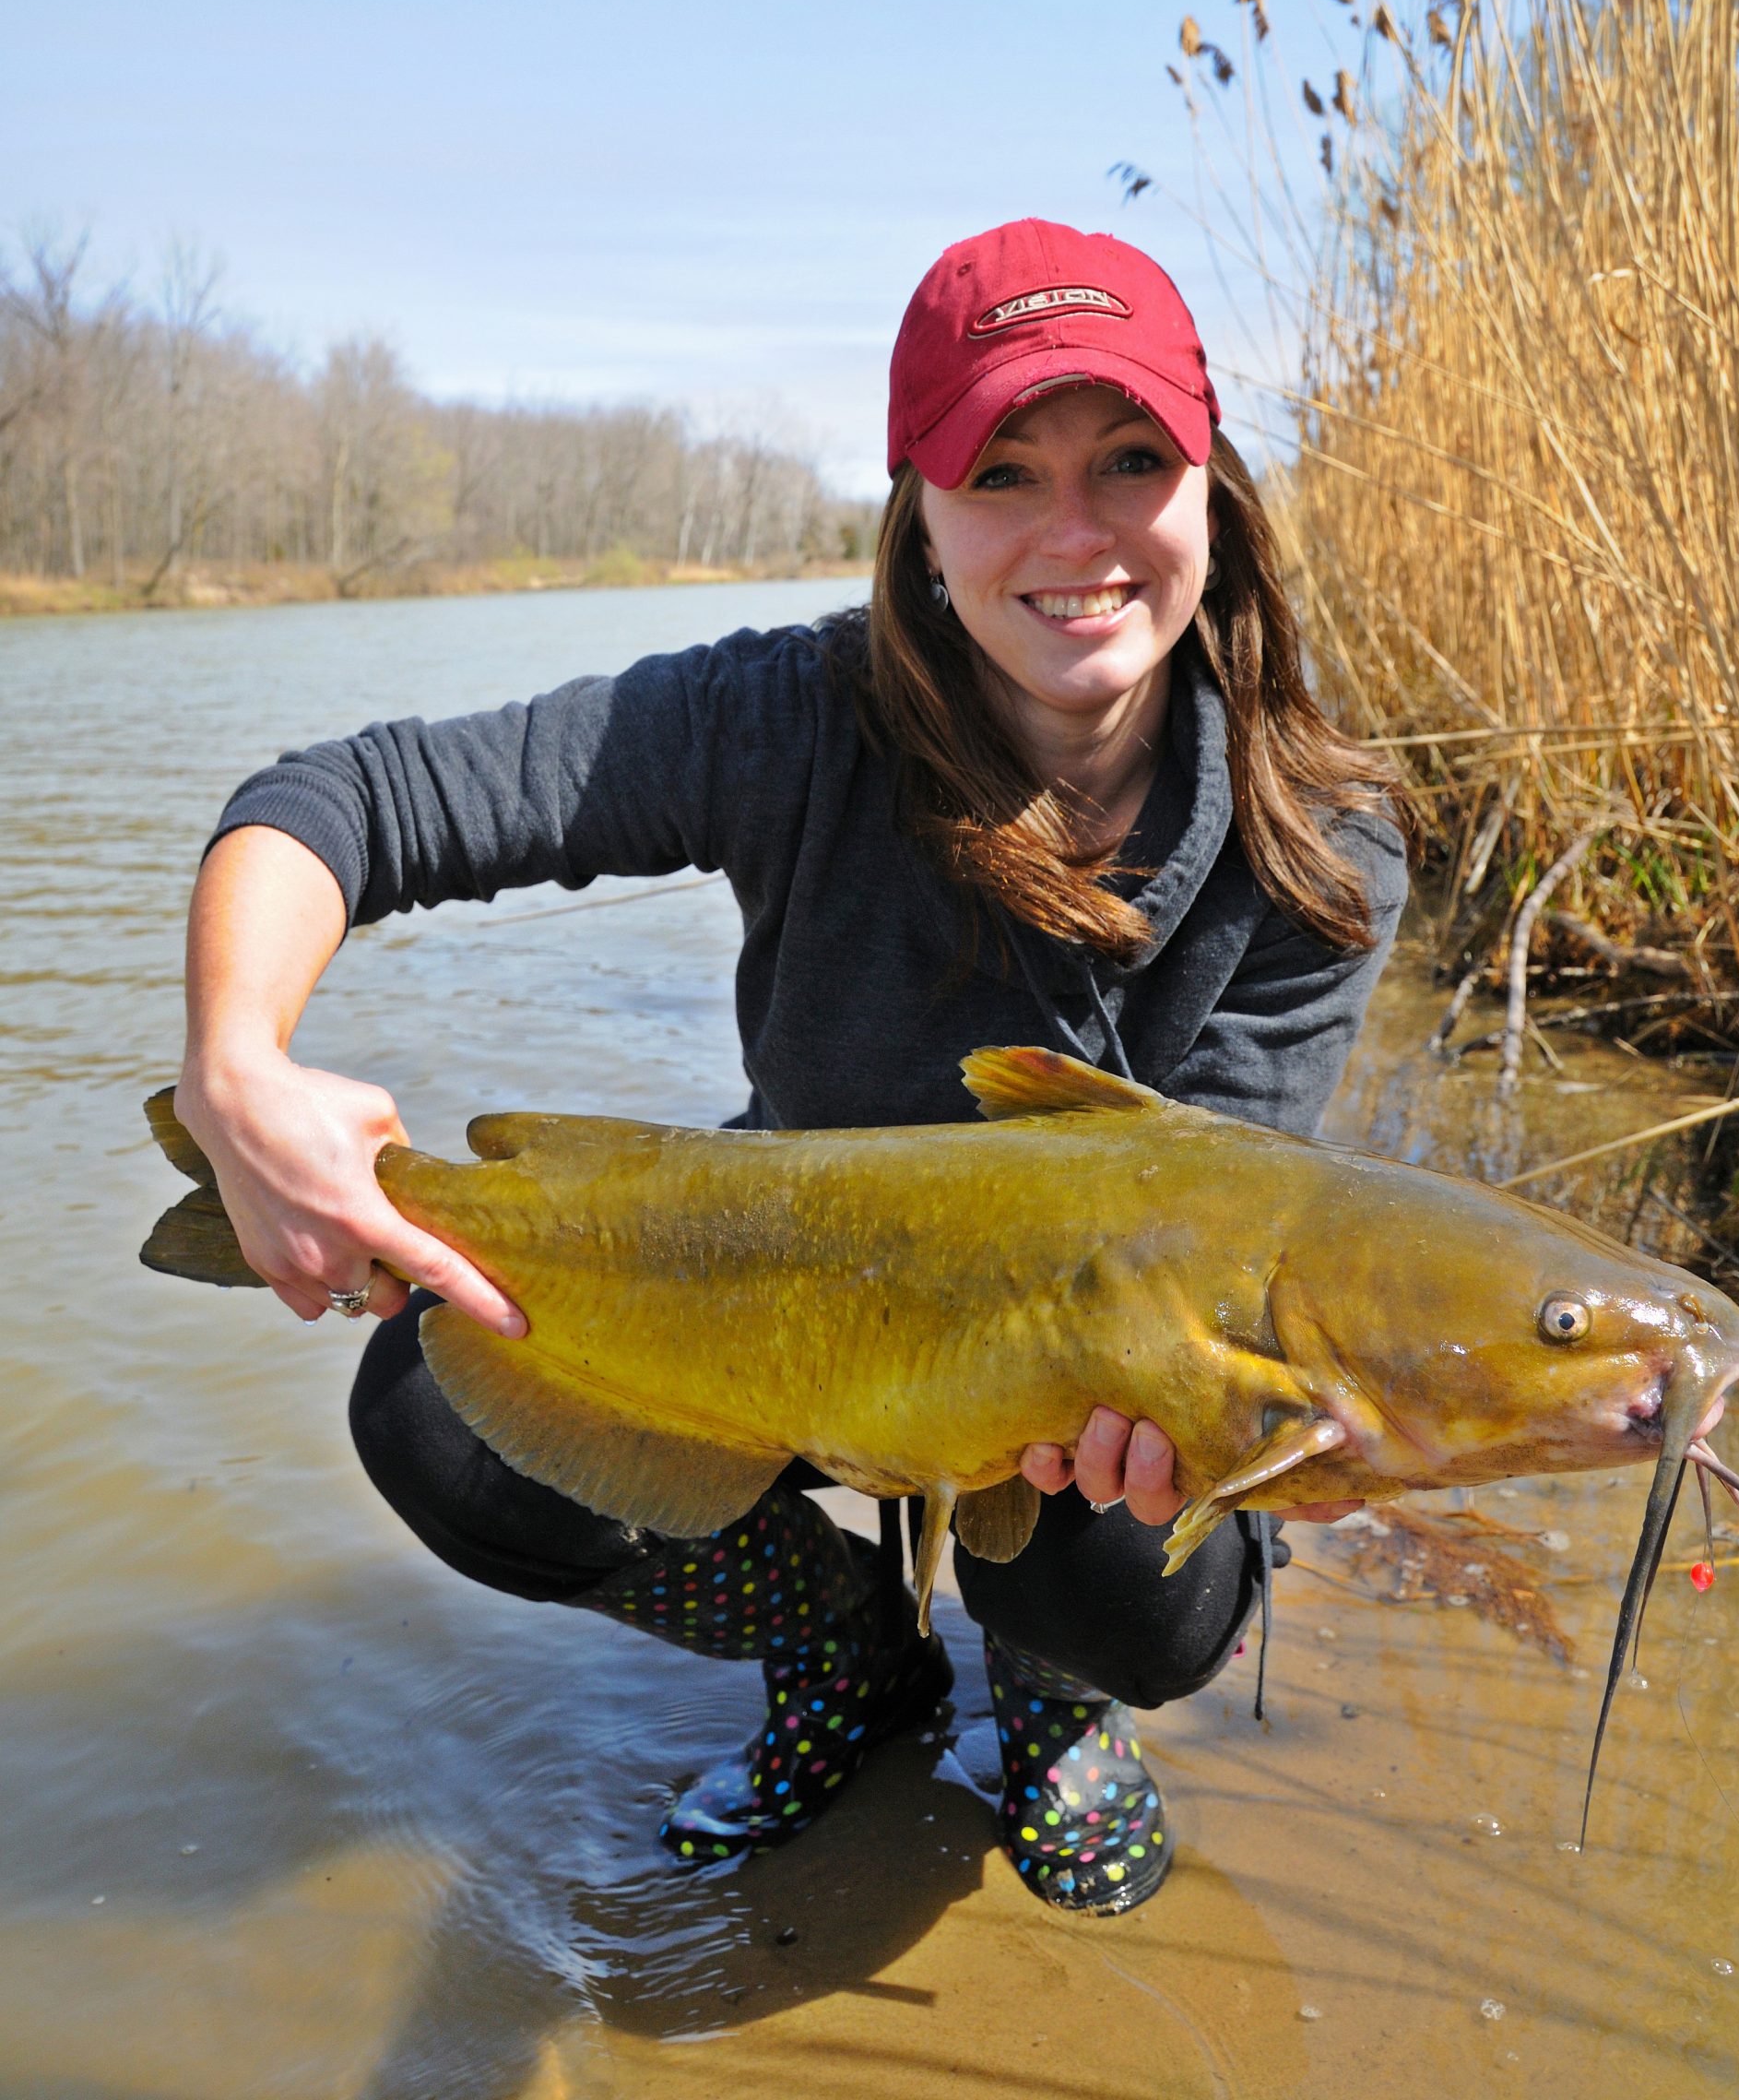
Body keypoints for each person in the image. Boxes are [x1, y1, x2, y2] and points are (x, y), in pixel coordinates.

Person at [173, 218, 1411, 1918]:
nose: (1077, 533)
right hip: (787, 1288)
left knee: (1153, 1590)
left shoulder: (1322, 840)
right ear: (920, 517)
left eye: (1132, 458)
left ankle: (1053, 1704)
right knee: (431, 1411)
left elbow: (1239, 1224)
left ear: (1215, 488)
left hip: (1064, 1365)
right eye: (1001, 470)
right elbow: (348, 801)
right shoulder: (784, 712)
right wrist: (240, 1067)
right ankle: (850, 1656)